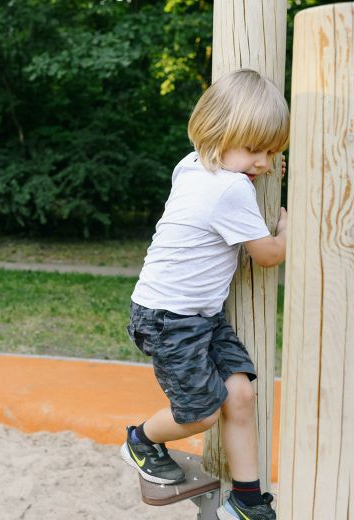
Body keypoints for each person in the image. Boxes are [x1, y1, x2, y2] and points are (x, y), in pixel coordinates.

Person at [120, 68, 288, 520]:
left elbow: (232, 176)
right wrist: (289, 229)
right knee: (201, 414)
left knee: (240, 395)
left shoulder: (191, 164)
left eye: (272, 152)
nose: (264, 164)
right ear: (217, 134)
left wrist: (250, 164)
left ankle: (247, 499)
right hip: (168, 318)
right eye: (254, 150)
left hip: (197, 315)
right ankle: (140, 439)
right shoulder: (230, 188)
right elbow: (268, 255)